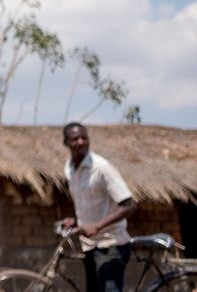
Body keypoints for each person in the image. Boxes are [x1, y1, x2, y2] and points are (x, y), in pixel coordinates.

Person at [60, 122, 138, 292]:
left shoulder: (101, 168)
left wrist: (97, 226)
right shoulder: (70, 170)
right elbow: (88, 203)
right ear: (66, 143)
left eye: (84, 138)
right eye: (75, 139)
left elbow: (130, 205)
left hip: (111, 244)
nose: (81, 142)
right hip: (89, 246)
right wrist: (76, 222)